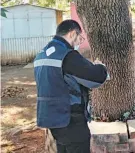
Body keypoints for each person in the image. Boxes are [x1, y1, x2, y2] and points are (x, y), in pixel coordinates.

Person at [34, 20, 108, 153]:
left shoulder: (41, 54)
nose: (80, 42)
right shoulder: (67, 55)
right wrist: (101, 67)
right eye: (80, 37)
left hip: (51, 118)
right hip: (70, 119)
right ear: (72, 33)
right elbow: (95, 77)